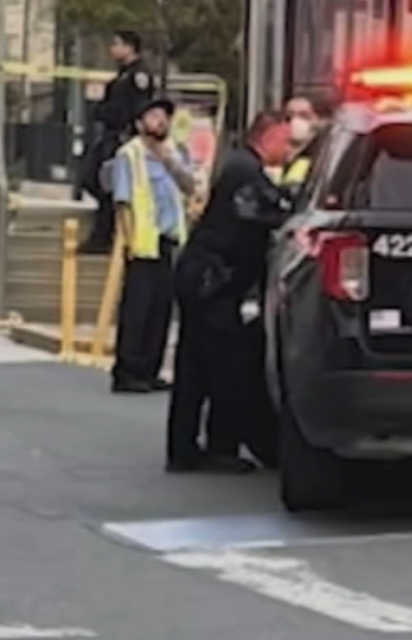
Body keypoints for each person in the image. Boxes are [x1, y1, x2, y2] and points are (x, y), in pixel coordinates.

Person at [166, 110, 292, 473]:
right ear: (267, 137)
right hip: (213, 281)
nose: (287, 150)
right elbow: (268, 211)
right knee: (226, 367)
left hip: (203, 277)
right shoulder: (244, 172)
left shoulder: (238, 165)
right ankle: (221, 447)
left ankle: (183, 448)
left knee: (193, 368)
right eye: (285, 141)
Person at [109, 95, 196, 395]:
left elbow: (190, 186)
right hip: (143, 242)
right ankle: (127, 371)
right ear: (139, 123)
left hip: (170, 239)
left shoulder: (175, 152)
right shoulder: (129, 155)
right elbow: (122, 202)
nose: (161, 121)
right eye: (154, 116)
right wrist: (128, 241)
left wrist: (170, 160)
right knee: (138, 309)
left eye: (165, 116)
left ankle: (150, 368)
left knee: (161, 308)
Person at [78, 30, 155, 254]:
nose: (112, 49)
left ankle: (104, 236)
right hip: (111, 136)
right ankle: (105, 231)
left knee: (107, 186)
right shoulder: (123, 75)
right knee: (92, 179)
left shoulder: (138, 76)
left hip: (123, 138)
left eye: (117, 44)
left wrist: (107, 113)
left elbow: (134, 109)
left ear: (130, 47)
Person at [280, 90, 334, 188]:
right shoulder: (275, 156)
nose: (294, 121)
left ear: (322, 121)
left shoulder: (325, 157)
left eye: (304, 116)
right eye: (288, 116)